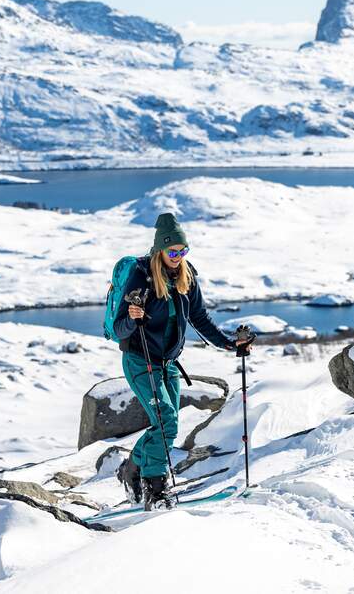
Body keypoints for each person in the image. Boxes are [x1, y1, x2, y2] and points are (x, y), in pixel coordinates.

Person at [113, 213, 251, 510]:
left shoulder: (186, 276)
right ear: (159, 250)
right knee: (166, 420)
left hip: (168, 363)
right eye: (172, 251)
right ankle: (156, 490)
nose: (178, 257)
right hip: (140, 360)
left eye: (183, 251)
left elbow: (200, 318)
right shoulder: (142, 276)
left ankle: (131, 468)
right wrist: (132, 316)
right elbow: (118, 328)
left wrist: (230, 343)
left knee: (164, 425)